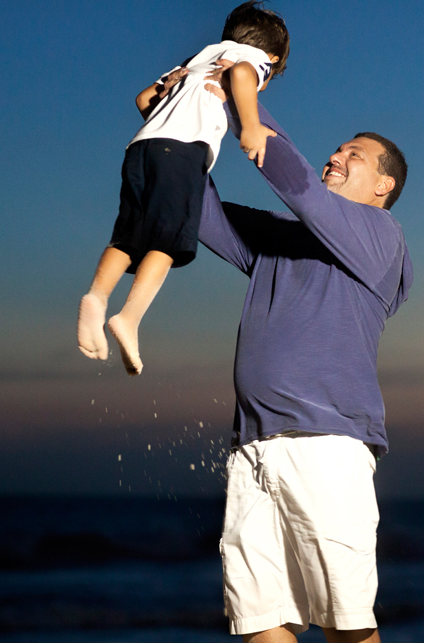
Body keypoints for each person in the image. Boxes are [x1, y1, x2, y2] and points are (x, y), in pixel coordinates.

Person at [191, 65, 411, 643]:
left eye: (356, 155)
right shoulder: (284, 242)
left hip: (327, 447)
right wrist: (180, 117)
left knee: (346, 612)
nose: (338, 156)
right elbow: (196, 208)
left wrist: (242, 95)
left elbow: (288, 175)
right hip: (251, 449)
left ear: (383, 186)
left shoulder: (380, 240)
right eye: (337, 150)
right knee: (258, 614)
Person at [77, 0, 289, 376]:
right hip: (184, 151)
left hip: (142, 146)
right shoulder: (254, 60)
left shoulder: (197, 59)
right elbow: (241, 73)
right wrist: (252, 127)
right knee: (168, 241)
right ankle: (129, 317)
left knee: (129, 236)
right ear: (271, 57)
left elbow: (144, 98)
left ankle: (96, 296)